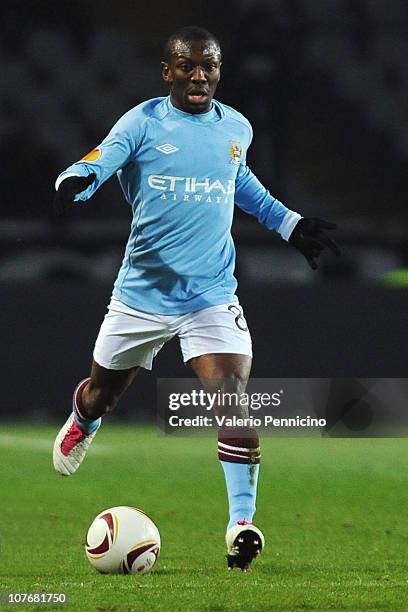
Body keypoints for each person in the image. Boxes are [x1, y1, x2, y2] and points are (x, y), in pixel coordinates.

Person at [52, 25, 340, 571]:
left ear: (218, 71)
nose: (199, 75)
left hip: (210, 294)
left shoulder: (236, 127)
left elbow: (241, 181)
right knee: (102, 395)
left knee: (232, 397)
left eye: (208, 66)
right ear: (168, 72)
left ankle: (241, 525)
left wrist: (289, 224)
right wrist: (77, 178)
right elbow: (101, 158)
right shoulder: (142, 122)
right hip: (141, 294)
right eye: (187, 66)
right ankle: (83, 419)